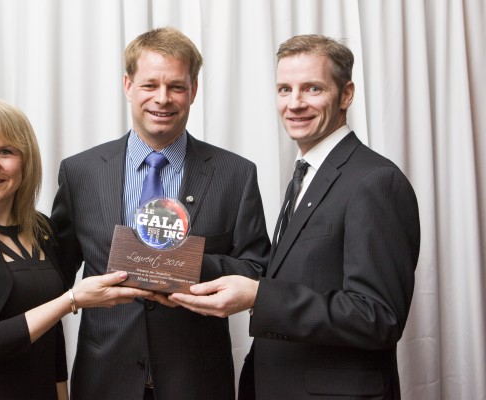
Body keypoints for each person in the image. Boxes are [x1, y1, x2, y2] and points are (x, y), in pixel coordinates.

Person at [170, 34, 421, 399]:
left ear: (346, 94)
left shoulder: (374, 181)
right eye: (284, 89)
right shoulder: (308, 173)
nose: (295, 103)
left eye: (312, 89)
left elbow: (378, 317)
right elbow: (289, 272)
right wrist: (174, 263)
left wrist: (258, 297)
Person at [51, 27, 271, 400]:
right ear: (128, 85)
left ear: (194, 90)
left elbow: (257, 268)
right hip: (105, 379)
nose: (162, 99)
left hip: (197, 380)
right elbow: (54, 274)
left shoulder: (236, 174)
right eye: (150, 85)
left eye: (176, 87)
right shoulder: (81, 173)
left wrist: (187, 265)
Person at [0, 98, 157, 400]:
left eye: (5, 151)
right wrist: (72, 300)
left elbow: (51, 334)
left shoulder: (42, 229)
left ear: (26, 160)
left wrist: (61, 394)